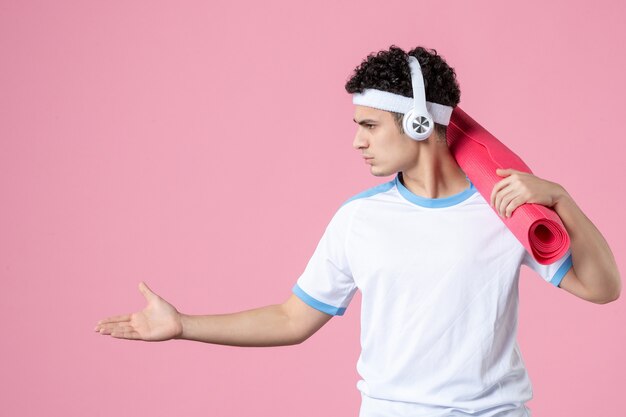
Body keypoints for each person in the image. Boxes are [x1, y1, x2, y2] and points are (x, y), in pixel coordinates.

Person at [95, 45, 621, 417]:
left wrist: (561, 201)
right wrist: (183, 324)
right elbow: (290, 318)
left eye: (369, 125)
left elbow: (603, 288)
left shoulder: (504, 209)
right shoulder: (359, 220)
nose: (356, 142)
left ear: (418, 123)